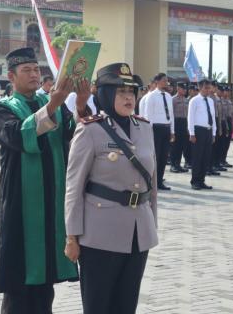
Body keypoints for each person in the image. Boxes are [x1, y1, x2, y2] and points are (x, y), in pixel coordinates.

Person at [0, 47, 82, 314]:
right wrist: (53, 104)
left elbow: (73, 134)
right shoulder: (2, 109)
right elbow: (17, 136)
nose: (33, 74)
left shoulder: (50, 102)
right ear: (11, 76)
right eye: (26, 70)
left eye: (36, 69)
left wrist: (81, 103)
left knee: (45, 283)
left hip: (52, 198)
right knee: (19, 281)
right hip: (21, 201)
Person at [64, 62, 157, 314]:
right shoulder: (90, 130)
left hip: (139, 233)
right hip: (99, 235)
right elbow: (74, 187)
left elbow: (153, 183)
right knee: (98, 306)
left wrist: (152, 223)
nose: (129, 98)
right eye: (120, 92)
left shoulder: (145, 128)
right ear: (104, 94)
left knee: (126, 305)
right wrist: (72, 236)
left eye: (132, 92)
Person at [142, 73, 174, 190]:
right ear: (157, 81)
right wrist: (148, 131)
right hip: (155, 128)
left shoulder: (168, 96)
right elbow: (147, 115)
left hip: (166, 128)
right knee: (155, 157)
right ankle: (152, 182)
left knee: (164, 157)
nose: (166, 83)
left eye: (167, 81)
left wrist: (172, 130)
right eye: (164, 81)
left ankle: (160, 181)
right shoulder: (151, 96)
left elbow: (171, 115)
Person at [187, 79, 217, 190]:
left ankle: (201, 180)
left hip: (208, 131)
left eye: (209, 88)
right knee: (197, 157)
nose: (208, 90)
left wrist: (213, 133)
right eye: (206, 88)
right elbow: (190, 118)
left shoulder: (210, 101)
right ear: (200, 88)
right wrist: (192, 133)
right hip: (198, 131)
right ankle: (195, 181)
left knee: (206, 157)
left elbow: (213, 117)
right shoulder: (194, 101)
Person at [170, 82, 189, 173]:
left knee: (182, 145)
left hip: (184, 123)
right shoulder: (173, 99)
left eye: (185, 89)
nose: (185, 90)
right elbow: (171, 114)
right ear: (178, 89)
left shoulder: (186, 100)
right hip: (176, 122)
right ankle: (173, 165)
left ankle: (178, 164)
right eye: (183, 89)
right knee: (175, 145)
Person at [221, 85, 233, 167]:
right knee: (222, 143)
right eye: (226, 91)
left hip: (229, 121)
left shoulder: (229, 101)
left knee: (227, 143)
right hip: (223, 122)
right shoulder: (220, 101)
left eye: (229, 91)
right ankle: (220, 160)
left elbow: (232, 114)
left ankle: (224, 159)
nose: (228, 93)